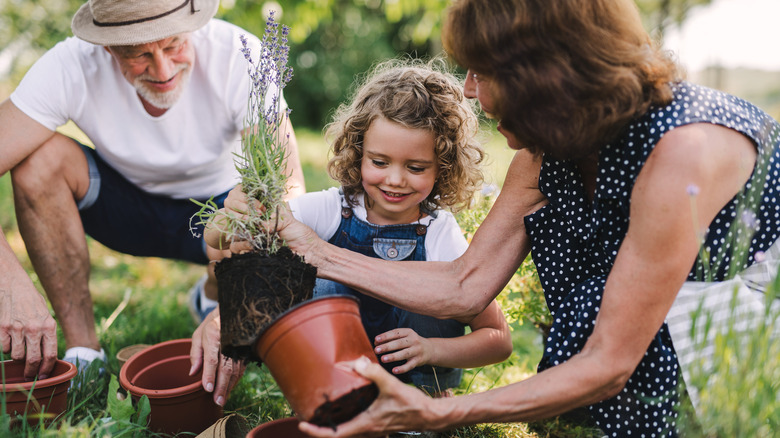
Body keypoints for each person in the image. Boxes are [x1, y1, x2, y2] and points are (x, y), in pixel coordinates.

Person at [218, 0, 778, 436]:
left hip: (746, 316)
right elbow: (466, 284)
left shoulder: (681, 153)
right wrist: (306, 249)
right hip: (644, 312)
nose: (467, 91)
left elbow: (610, 361)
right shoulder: (546, 150)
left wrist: (439, 412)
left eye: (482, 73)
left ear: (547, 76)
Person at [0, 0, 305, 404]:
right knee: (37, 162)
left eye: (174, 45)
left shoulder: (238, 54)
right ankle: (85, 353)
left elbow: (289, 190)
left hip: (217, 215)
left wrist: (236, 307)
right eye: (139, 54)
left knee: (260, 208)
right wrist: (9, 282)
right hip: (123, 208)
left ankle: (211, 297)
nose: (163, 70)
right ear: (108, 48)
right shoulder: (70, 64)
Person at [201, 60, 513, 396]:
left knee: (437, 296)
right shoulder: (332, 209)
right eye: (379, 162)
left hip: (414, 386)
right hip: (336, 381)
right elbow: (219, 238)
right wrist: (231, 214)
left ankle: (430, 396)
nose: (395, 179)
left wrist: (433, 349)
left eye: (416, 167)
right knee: (318, 285)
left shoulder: (439, 232)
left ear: (443, 167)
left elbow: (498, 340)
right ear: (358, 153)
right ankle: (330, 393)